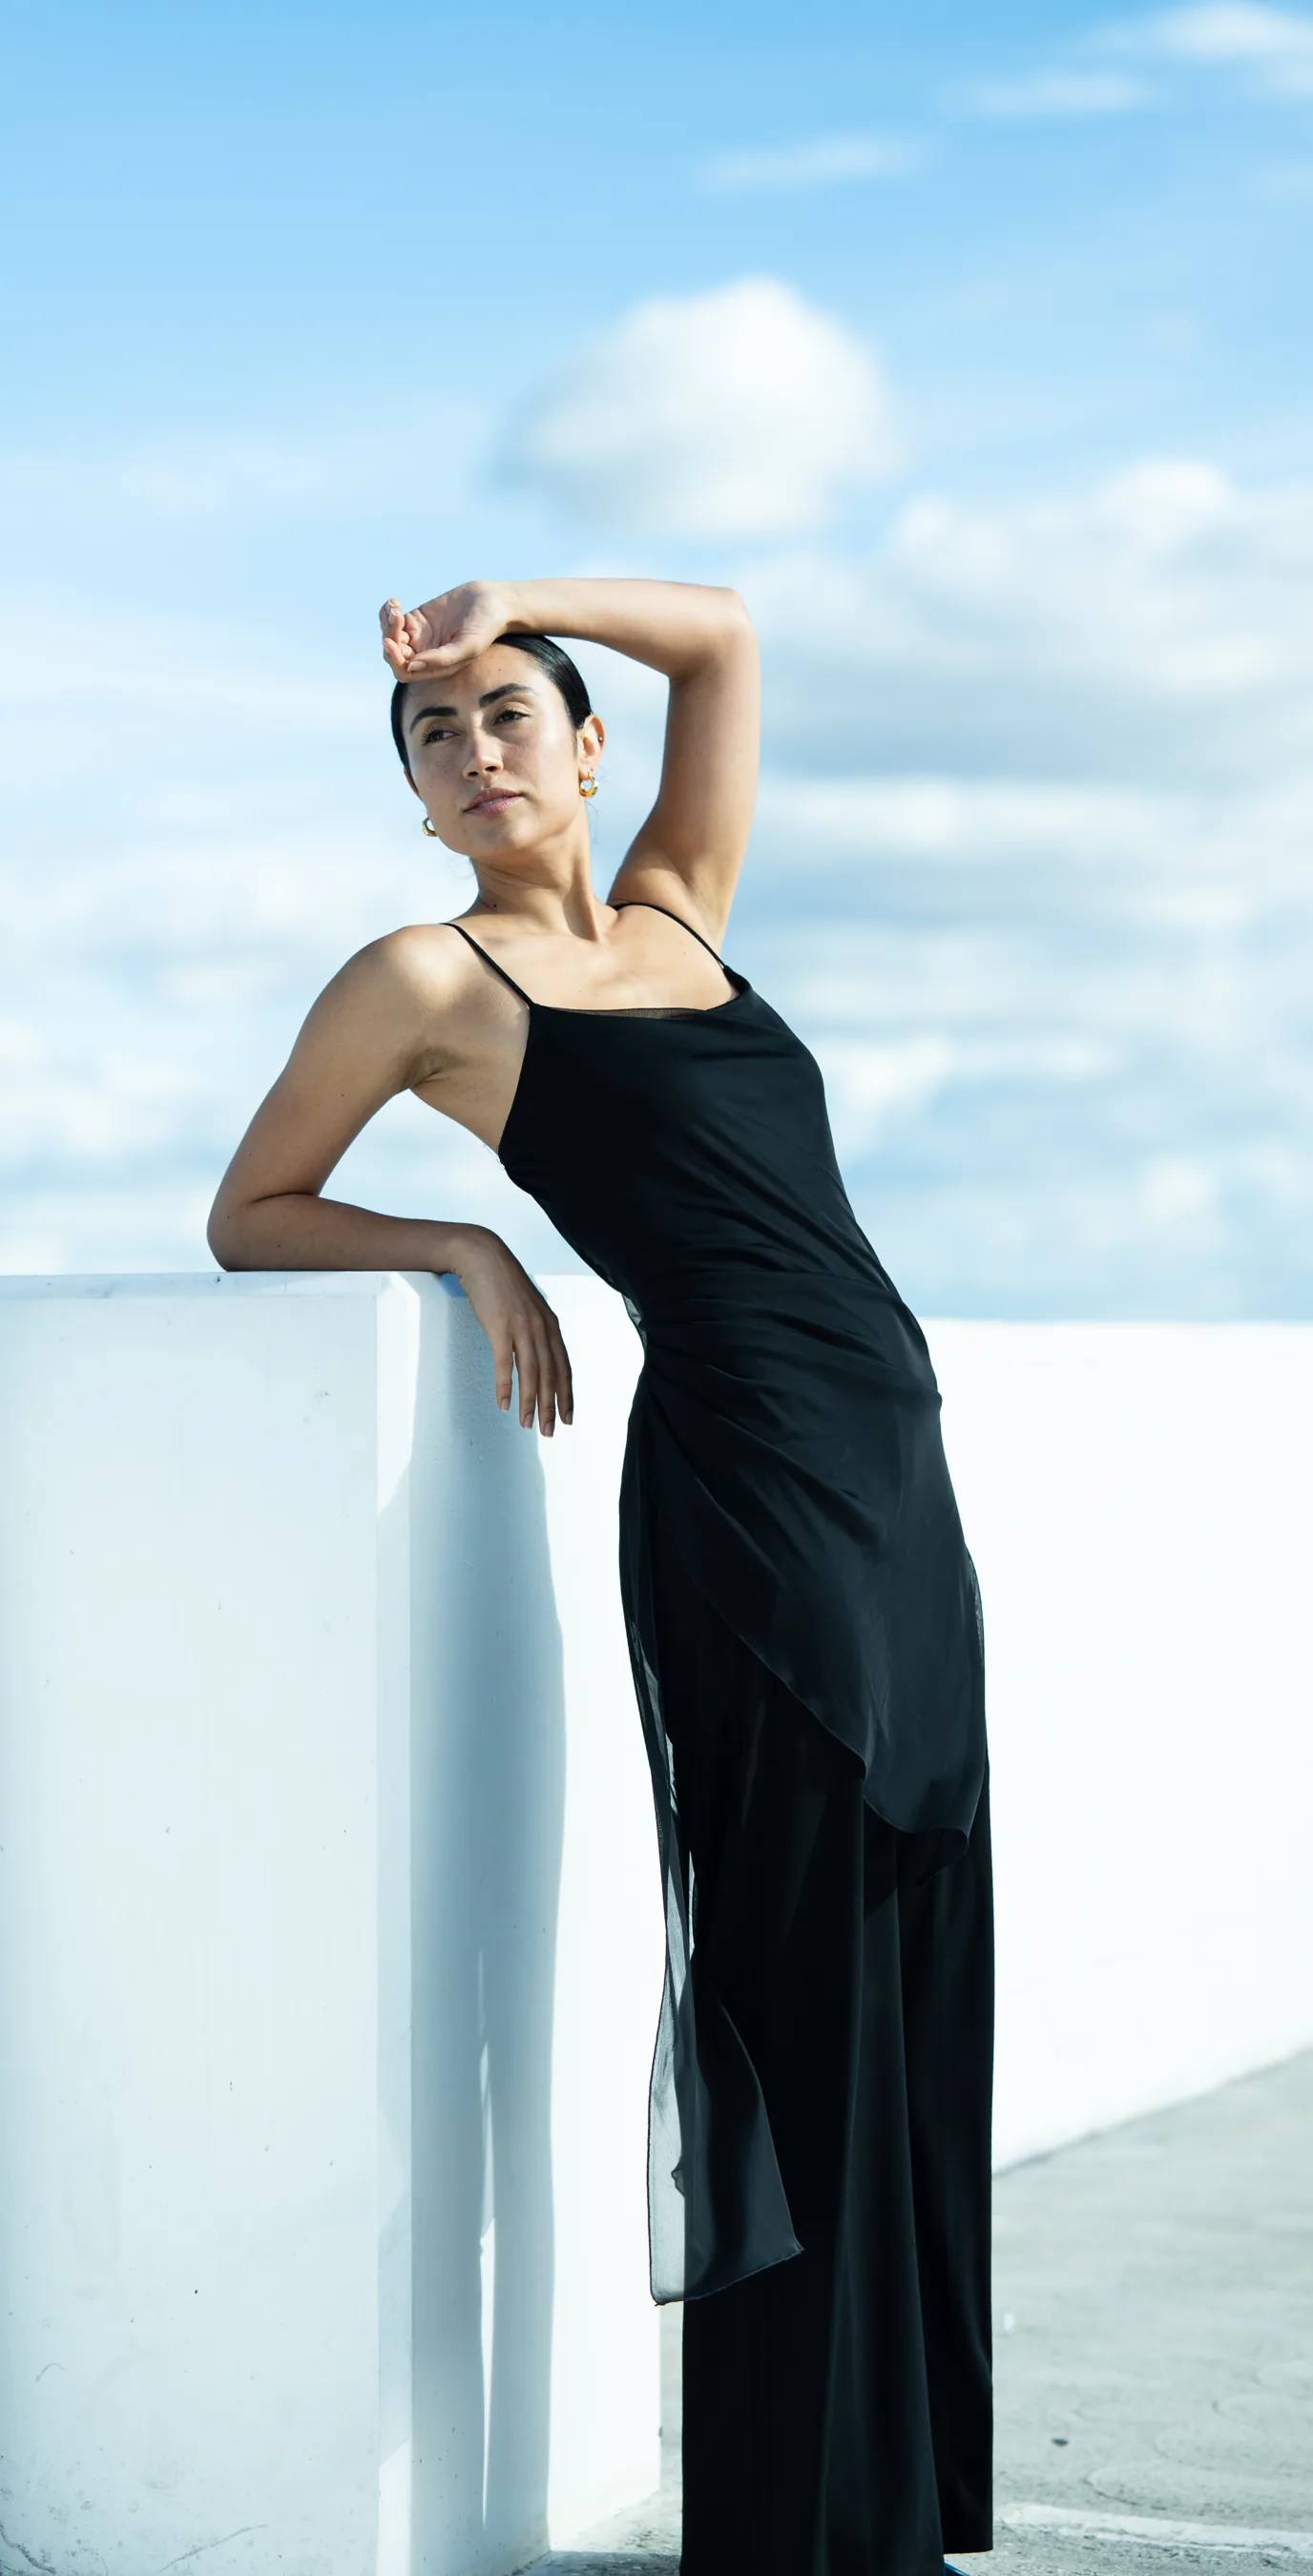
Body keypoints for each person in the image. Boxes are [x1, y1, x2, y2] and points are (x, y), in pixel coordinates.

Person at [209, 577, 992, 2576]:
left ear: (585, 745)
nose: (472, 751)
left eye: (505, 715)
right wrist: (462, 1249)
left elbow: (724, 635)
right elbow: (252, 1212)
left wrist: (519, 599)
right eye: (432, 735)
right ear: (413, 798)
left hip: (896, 1484)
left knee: (909, 1958)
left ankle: (881, 2502)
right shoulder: (426, 981)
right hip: (746, 1497)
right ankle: (787, 2526)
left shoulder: (680, 910)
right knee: (795, 1975)